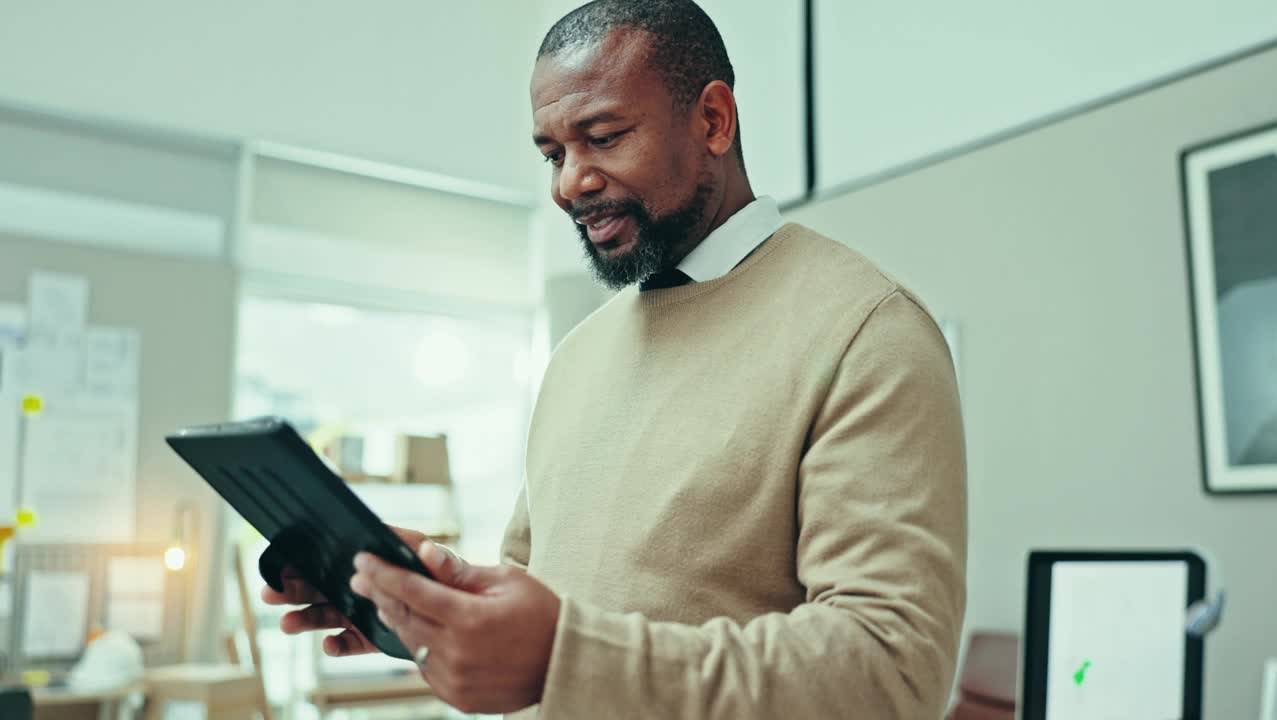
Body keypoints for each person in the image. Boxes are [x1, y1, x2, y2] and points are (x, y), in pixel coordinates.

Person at [264, 1, 967, 717]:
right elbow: (546, 595)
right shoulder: (579, 355)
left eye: (602, 137)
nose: (570, 183)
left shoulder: (865, 331)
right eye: (553, 155)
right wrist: (432, 607)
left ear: (714, 121)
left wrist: (563, 657)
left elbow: (893, 670)